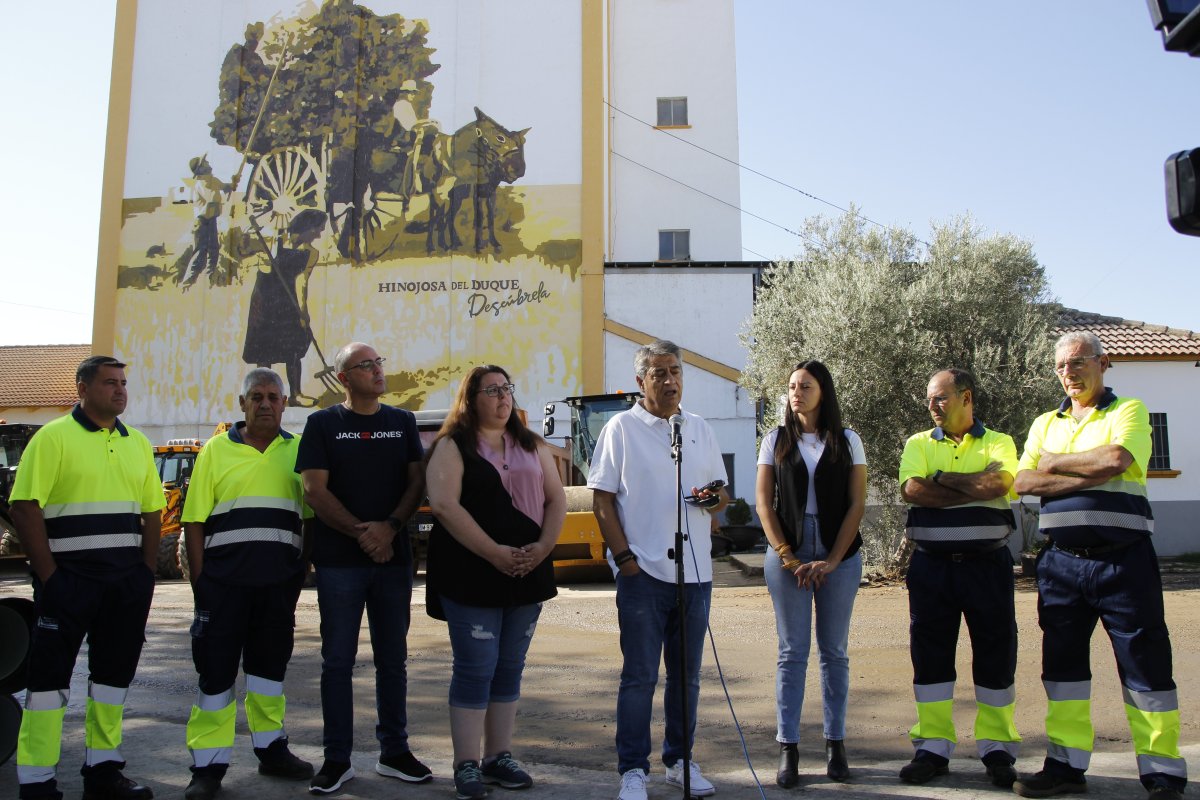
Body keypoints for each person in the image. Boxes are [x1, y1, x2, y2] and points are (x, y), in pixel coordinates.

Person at [1012, 332, 1187, 799]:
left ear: (1102, 363)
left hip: (1123, 563)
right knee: (1062, 669)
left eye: (1077, 362)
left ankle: (1163, 773)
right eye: (1060, 366)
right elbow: (1023, 481)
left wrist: (1055, 467)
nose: (1068, 372)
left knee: (1146, 667)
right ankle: (1066, 766)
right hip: (1061, 566)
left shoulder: (1127, 411)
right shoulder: (1044, 422)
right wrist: (1070, 469)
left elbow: (1115, 459)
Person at [9, 356, 164, 800]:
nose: (120, 391)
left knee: (113, 680)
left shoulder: (136, 442)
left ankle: (104, 772)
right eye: (109, 383)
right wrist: (52, 578)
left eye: (123, 383)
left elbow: (152, 510)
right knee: (47, 683)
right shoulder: (52, 437)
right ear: (83, 387)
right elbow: (25, 507)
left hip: (124, 586)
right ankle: (37, 782)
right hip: (68, 584)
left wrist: (146, 572)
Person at [588, 340, 729, 800]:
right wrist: (624, 559)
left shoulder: (700, 428)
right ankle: (632, 769)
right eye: (659, 373)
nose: (670, 381)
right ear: (640, 381)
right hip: (643, 572)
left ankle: (680, 759)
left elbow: (720, 498)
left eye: (676, 372)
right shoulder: (620, 429)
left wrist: (713, 500)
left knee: (686, 677)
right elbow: (602, 498)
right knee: (640, 675)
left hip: (695, 572)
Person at [424, 366, 565, 800]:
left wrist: (542, 548)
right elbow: (445, 506)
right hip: (471, 575)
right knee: (474, 669)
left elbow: (556, 498)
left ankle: (498, 757)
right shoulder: (451, 446)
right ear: (472, 399)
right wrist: (494, 554)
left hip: (527, 573)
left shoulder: (532, 444)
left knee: (509, 668)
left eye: (507, 389)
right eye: (492, 391)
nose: (503, 398)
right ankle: (466, 763)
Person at [296, 342, 430, 793]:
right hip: (339, 565)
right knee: (337, 662)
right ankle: (337, 759)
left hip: (392, 562)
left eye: (379, 362)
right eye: (365, 365)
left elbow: (417, 482)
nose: (376, 370)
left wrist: (389, 528)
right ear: (343, 378)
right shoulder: (322, 425)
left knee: (393, 661)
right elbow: (314, 490)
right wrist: (362, 533)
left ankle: (395, 752)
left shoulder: (402, 422)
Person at [179, 369, 313, 800]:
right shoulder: (215, 452)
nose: (265, 403)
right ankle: (207, 767)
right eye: (256, 396)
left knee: (269, 675)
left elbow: (308, 521)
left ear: (285, 403)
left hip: (277, 589)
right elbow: (194, 523)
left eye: (273, 396)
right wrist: (203, 585)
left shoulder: (299, 453)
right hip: (223, 589)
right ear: (242, 403)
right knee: (215, 679)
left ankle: (271, 750)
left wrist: (297, 575)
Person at [896, 369, 1021, 788]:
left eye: (941, 398)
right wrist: (971, 485)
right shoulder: (917, 443)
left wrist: (943, 480)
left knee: (995, 653)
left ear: (966, 397)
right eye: (930, 399)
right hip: (931, 567)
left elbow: (1000, 482)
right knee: (930, 656)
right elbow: (913, 490)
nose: (932, 406)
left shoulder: (999, 441)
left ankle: (997, 746)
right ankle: (932, 747)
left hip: (988, 566)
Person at [755, 360, 866, 788]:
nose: (796, 392)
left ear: (824, 391)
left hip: (840, 553)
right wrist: (786, 555)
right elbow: (764, 503)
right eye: (791, 386)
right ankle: (790, 749)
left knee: (834, 651)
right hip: (789, 553)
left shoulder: (848, 440)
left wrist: (834, 560)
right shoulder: (775, 440)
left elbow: (856, 505)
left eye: (805, 385)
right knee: (791, 652)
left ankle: (836, 745)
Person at [242, 208, 326, 408]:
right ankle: (258, 395)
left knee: (294, 349)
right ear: (307, 227)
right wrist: (262, 254)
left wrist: (304, 313)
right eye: (318, 229)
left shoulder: (312, 253)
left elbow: (303, 282)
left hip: (289, 304)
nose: (320, 234)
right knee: (264, 352)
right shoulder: (275, 239)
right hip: (265, 300)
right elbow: (254, 260)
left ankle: (295, 395)